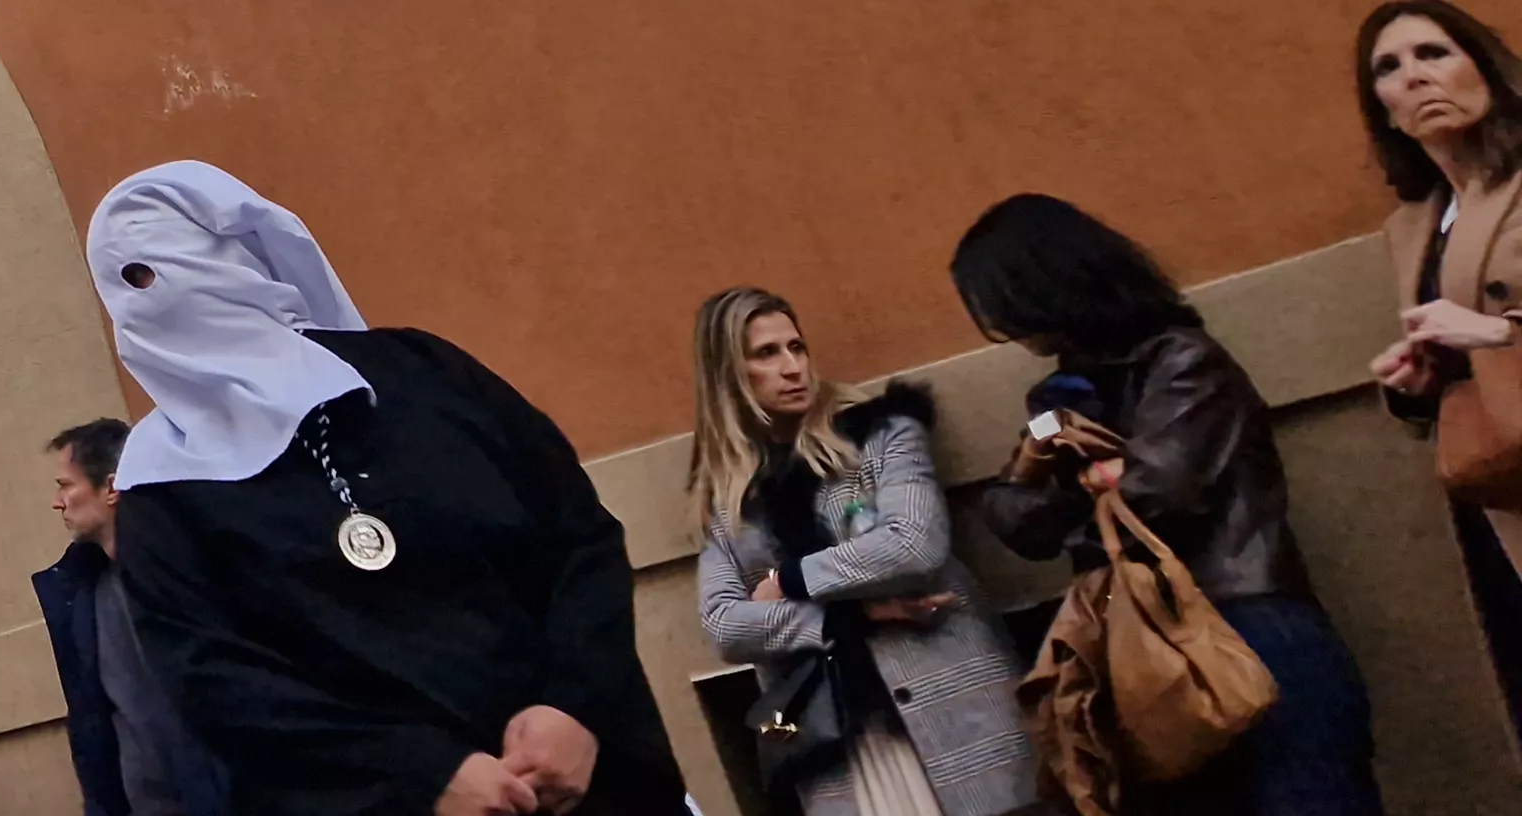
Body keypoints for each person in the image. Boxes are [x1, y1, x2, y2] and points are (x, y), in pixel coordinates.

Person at [88, 163, 685, 816]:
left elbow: (575, 533)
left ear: (233, 254)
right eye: (124, 284)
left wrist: (574, 706)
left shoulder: (424, 375)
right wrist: (423, 776)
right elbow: (214, 677)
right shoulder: (160, 484)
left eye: (157, 268)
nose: (145, 301)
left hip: (587, 784)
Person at [952, 194, 1381, 816]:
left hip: (1243, 625)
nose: (1004, 327)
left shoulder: (1181, 361)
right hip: (1147, 649)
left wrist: (1082, 494)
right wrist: (1086, 485)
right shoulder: (1064, 395)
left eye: (1001, 304)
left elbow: (1157, 497)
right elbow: (1016, 519)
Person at [685, 287, 1040, 816]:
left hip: (953, 712)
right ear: (728, 375)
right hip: (839, 749)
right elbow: (724, 626)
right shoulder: (728, 496)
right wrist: (854, 617)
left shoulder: (881, 434)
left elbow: (912, 545)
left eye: (797, 347)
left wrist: (788, 581)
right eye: (767, 353)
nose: (793, 367)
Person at [1352, 0, 1522, 737]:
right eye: (1389, 69)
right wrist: (1419, 385)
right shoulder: (1411, 227)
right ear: (1385, 112)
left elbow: (1488, 330)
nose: (1415, 76)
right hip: (1501, 489)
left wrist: (1496, 330)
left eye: (1434, 53)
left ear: (1485, 70)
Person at [35, 418, 228, 816]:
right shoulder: (79, 593)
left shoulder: (186, 571)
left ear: (111, 488)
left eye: (66, 485)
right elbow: (94, 723)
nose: (57, 502)